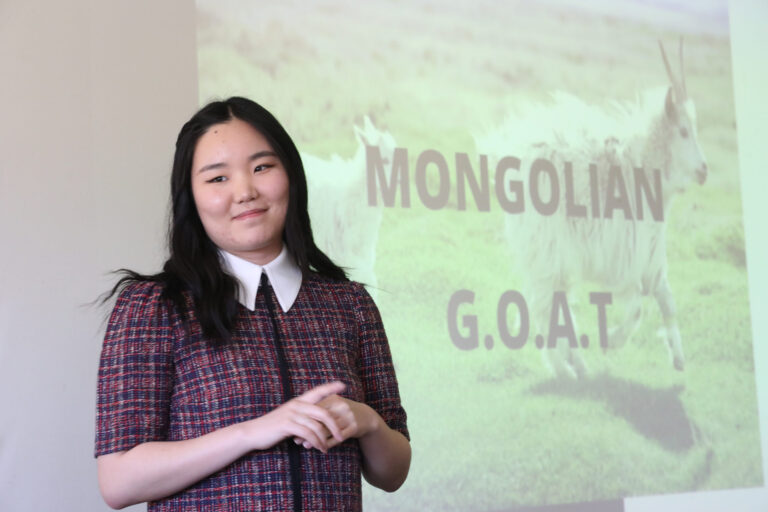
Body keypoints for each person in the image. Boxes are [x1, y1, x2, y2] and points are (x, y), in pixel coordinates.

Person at [95, 97, 410, 511]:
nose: (245, 191)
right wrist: (253, 431)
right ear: (190, 196)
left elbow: (393, 473)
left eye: (262, 167)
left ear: (291, 177)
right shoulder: (154, 307)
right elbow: (118, 480)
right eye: (217, 178)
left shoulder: (349, 304)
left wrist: (367, 422)